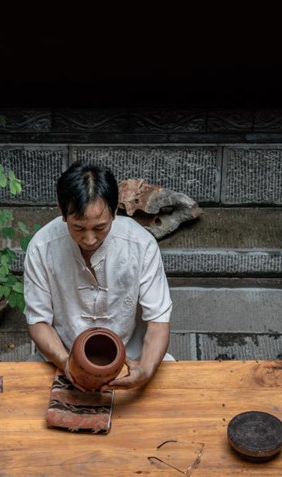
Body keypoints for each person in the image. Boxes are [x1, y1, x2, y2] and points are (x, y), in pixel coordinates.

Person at [24, 160, 173, 391]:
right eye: (78, 228)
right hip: (62, 357)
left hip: (131, 359)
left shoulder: (141, 245)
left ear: (115, 211)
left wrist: (144, 370)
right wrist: (67, 364)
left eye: (100, 227)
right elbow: (38, 321)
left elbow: (158, 321)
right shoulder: (42, 247)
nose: (90, 239)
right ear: (62, 212)